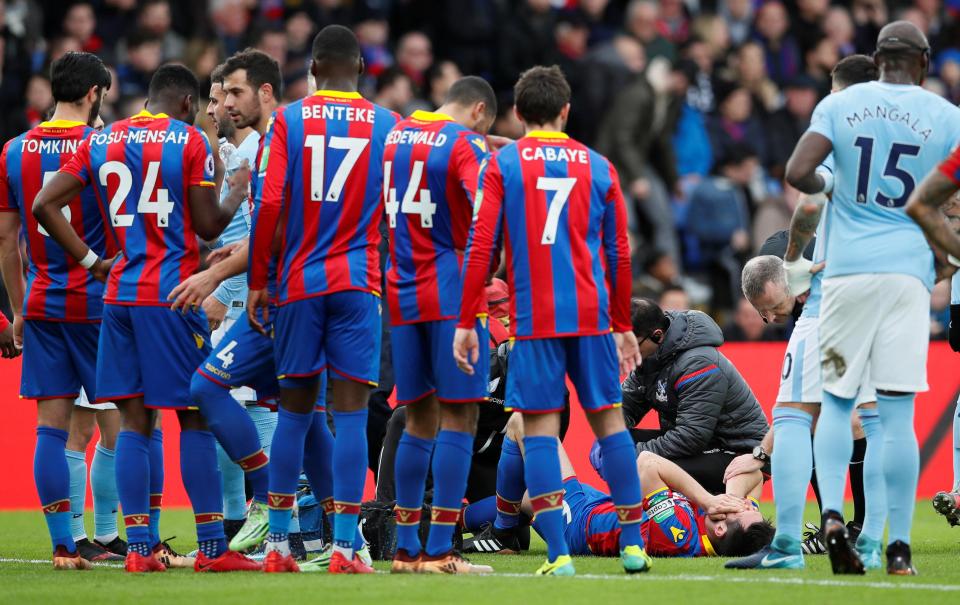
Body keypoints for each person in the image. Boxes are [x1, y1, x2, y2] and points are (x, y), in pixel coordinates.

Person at [34, 63, 261, 574]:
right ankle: (211, 549)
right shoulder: (187, 141)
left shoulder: (102, 139)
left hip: (119, 299)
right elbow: (207, 225)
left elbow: (45, 204)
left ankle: (138, 551)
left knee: (135, 422)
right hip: (173, 298)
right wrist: (236, 189)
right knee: (195, 415)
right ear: (186, 103)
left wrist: (94, 263)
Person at [454, 65, 650, 577]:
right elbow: (619, 253)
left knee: (538, 431)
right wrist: (623, 323)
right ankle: (633, 545)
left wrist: (466, 316)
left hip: (534, 321)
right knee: (610, 425)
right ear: (566, 111)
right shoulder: (599, 166)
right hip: (591, 318)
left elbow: (482, 246)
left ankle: (560, 555)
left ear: (518, 114)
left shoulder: (503, 165)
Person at [783, 21, 960, 575]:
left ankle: (833, 514)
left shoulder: (842, 105)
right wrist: (946, 259)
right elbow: (942, 202)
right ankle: (898, 546)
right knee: (896, 414)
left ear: (878, 58)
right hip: (907, 277)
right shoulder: (946, 116)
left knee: (835, 402)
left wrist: (834, 191)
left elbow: (798, 172)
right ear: (924, 62)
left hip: (845, 275)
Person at [247, 25, 398, 575]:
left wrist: (260, 278)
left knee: (293, 411)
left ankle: (279, 546)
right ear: (360, 68)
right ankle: (344, 547)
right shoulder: (388, 125)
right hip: (359, 283)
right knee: (353, 415)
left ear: (312, 68)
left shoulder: (287, 119)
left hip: (298, 283)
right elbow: (396, 209)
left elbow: (268, 205)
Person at [728, 53, 886, 572]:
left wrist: (796, 259)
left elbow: (810, 198)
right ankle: (882, 543)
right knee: (880, 421)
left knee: (795, 415)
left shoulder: (839, 128)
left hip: (834, 291)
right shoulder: (921, 131)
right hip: (893, 291)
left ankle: (789, 544)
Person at [382, 76, 497, 575]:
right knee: (461, 418)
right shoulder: (466, 143)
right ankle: (443, 550)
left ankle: (406, 550)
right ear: (478, 111)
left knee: (417, 417)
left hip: (401, 289)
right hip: (450, 288)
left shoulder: (396, 136)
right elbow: (486, 216)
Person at [0, 51, 109, 570]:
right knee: (128, 425)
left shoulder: (14, 150)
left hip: (43, 302)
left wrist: (20, 307)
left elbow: (5, 240)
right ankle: (138, 542)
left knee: (51, 426)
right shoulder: (102, 145)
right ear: (94, 94)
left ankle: (63, 546)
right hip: (101, 301)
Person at [196, 58, 275, 547]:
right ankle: (240, 517)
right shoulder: (229, 150)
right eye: (211, 98)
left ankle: (269, 508)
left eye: (223, 97)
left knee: (252, 403)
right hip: (238, 283)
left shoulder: (256, 152)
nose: (214, 108)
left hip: (249, 294)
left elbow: (257, 229)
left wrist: (223, 290)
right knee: (240, 402)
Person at [507, 416, 774, 559]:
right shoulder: (725, 527)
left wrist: (707, 499)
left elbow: (646, 464)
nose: (744, 505)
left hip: (578, 522)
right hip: (603, 506)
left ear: (720, 527)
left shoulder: (678, 534)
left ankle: (502, 529)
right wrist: (734, 498)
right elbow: (756, 477)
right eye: (749, 505)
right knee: (526, 497)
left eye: (740, 510)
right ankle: (510, 519)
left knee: (526, 422)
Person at [612, 298, 767, 496]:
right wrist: (610, 437)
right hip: (701, 446)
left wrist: (632, 454)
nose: (625, 353)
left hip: (739, 454)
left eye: (631, 345)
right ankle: (663, 514)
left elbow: (691, 436)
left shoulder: (699, 363)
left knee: (635, 459)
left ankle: (676, 516)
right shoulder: (647, 356)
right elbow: (623, 408)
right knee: (611, 445)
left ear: (657, 336)